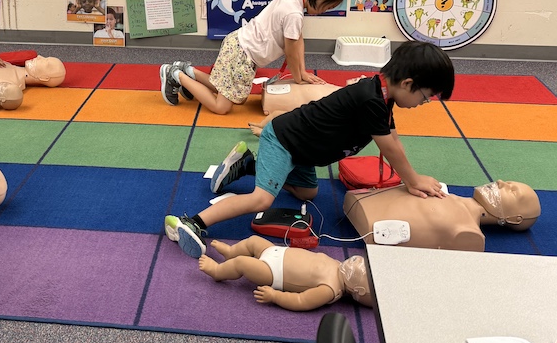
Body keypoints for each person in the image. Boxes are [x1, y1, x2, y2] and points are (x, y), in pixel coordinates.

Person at [164, 40, 455, 258]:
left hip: (301, 152)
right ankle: (193, 221)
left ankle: (250, 165)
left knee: (308, 193)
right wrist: (413, 181)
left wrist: (413, 178)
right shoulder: (371, 100)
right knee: (262, 200)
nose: (423, 103)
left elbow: (393, 139)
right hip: (283, 141)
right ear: (407, 83)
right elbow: (389, 146)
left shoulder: (382, 97)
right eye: (426, 97)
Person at [159, 0, 347, 114]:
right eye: (328, 7)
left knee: (234, 96)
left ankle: (188, 70)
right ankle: (175, 75)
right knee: (222, 107)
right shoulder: (294, 15)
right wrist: (299, 78)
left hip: (241, 47)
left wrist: (303, 72)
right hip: (242, 53)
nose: (326, 11)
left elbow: (298, 40)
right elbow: (291, 53)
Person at [343, 180, 541, 251]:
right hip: (357, 202)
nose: (500, 182)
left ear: (515, 218)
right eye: (507, 182)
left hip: (367, 228)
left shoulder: (469, 234)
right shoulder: (442, 189)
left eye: (512, 191)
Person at [198, 236, 372, 311]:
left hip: (273, 272)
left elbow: (301, 301)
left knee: (242, 263)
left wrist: (275, 296)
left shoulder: (329, 289)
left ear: (359, 290)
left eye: (362, 269)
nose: (359, 261)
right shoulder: (338, 265)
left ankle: (217, 271)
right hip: (276, 252)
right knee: (253, 241)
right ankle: (231, 251)